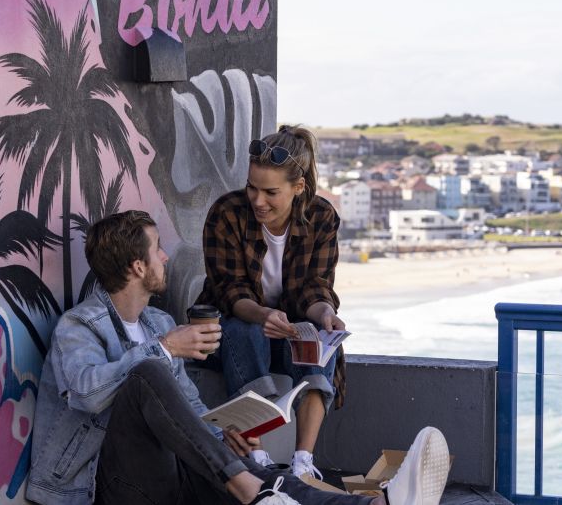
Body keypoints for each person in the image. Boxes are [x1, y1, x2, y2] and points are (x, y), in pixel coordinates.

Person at [26, 210, 451, 505]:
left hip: (176, 476)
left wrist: (223, 435)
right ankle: (243, 484)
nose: (165, 256)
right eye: (157, 249)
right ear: (137, 266)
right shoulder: (79, 326)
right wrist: (167, 349)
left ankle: (380, 503)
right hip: (107, 488)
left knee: (270, 479)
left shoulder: (156, 321)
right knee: (148, 374)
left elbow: (188, 409)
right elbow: (85, 394)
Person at [197, 124, 346, 479]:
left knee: (319, 339)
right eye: (252, 187)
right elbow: (229, 291)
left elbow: (315, 287)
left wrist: (325, 313)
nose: (258, 201)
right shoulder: (227, 213)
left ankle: (303, 463)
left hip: (290, 333)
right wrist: (263, 314)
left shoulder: (322, 217)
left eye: (270, 192)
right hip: (234, 333)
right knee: (247, 332)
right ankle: (257, 458)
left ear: (299, 188)